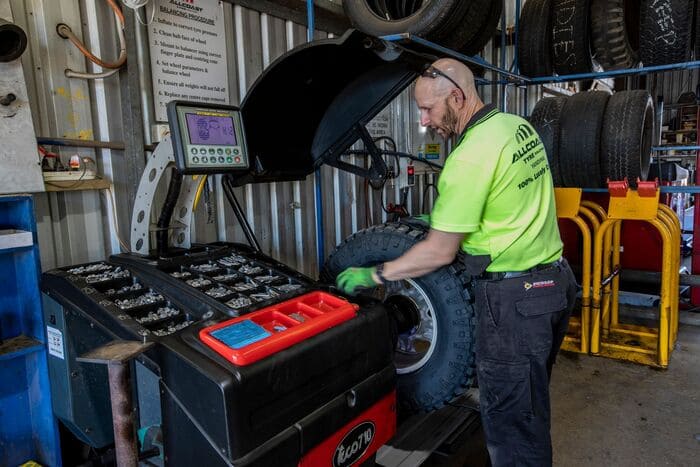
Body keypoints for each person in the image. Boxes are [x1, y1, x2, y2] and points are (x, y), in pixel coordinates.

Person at [335, 58, 577, 467]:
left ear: (458, 97)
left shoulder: (467, 159)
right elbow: (509, 201)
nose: (425, 122)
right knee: (529, 410)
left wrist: (377, 272)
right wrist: (448, 220)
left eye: (429, 110)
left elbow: (440, 253)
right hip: (554, 286)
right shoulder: (515, 127)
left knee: (511, 430)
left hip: (515, 305)